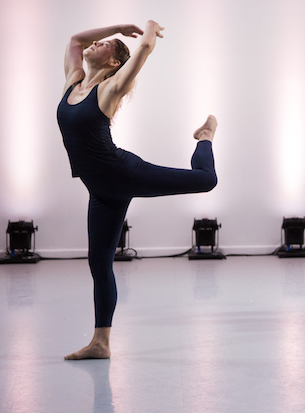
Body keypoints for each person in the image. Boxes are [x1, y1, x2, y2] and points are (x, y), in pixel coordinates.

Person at [57, 21, 219, 360]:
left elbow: (144, 49)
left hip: (124, 173)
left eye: (105, 44)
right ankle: (101, 343)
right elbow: (75, 38)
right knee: (99, 264)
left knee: (205, 180)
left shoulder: (110, 87)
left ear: (114, 63)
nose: (96, 42)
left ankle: (206, 135)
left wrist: (146, 28)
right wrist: (119, 26)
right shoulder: (73, 84)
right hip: (101, 191)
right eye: (99, 41)